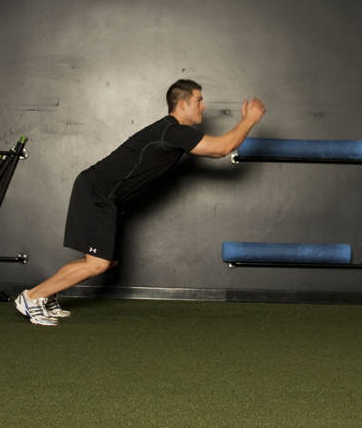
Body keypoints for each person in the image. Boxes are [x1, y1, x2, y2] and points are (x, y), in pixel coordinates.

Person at [15, 79, 266, 325]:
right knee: (98, 263)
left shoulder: (172, 131)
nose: (203, 106)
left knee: (107, 260)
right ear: (182, 104)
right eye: (198, 100)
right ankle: (32, 297)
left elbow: (219, 147)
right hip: (98, 192)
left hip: (109, 197)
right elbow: (221, 148)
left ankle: (46, 296)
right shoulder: (173, 130)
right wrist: (250, 119)